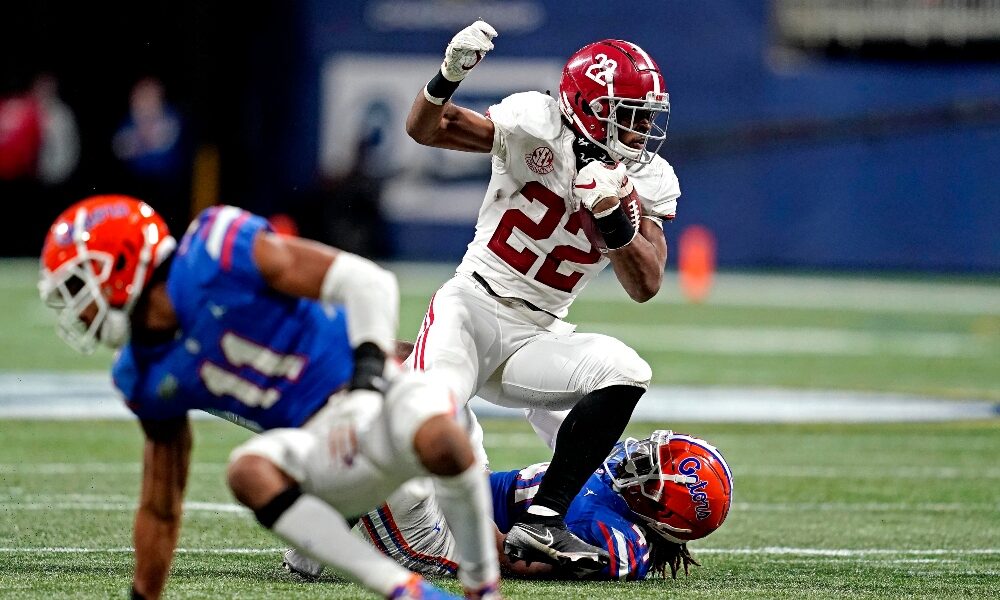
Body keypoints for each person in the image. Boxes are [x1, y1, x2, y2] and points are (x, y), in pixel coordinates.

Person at [37, 195, 501, 600]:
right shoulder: (141, 372)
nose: (79, 310)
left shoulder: (215, 252)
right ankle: (402, 590)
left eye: (80, 286)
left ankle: (482, 588)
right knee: (248, 471)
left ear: (122, 264)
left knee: (441, 437)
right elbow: (160, 506)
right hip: (319, 444)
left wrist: (363, 388)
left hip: (375, 396)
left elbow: (368, 283)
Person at [403, 21, 680, 572]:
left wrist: (618, 224)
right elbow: (427, 130)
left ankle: (542, 522)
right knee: (422, 422)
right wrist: (447, 77)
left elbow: (646, 284)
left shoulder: (644, 179)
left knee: (626, 369)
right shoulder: (535, 125)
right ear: (588, 107)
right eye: (630, 111)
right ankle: (330, 506)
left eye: (648, 113)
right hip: (472, 308)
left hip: (540, 332)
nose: (644, 127)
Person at [284, 429, 733, 582]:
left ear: (663, 511)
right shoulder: (616, 494)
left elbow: (508, 558)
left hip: (457, 539)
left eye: (649, 473)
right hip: (465, 494)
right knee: (432, 404)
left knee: (385, 456)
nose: (634, 460)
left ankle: (313, 537)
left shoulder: (617, 538)